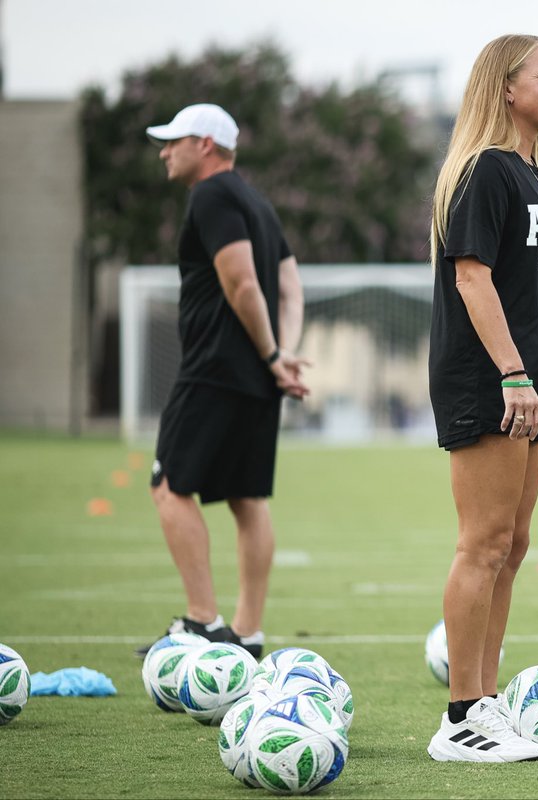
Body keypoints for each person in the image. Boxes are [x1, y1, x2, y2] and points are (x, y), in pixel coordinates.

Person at [425, 34, 538, 762]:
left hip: (528, 376)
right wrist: (514, 372)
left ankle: (486, 700)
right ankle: (459, 718)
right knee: (482, 544)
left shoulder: (531, 173)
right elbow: (471, 279)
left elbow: (510, 275)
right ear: (506, 87)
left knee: (513, 546)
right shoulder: (485, 168)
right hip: (491, 379)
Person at [134, 103, 310, 660]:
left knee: (168, 487)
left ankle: (203, 623)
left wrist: (272, 351)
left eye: (174, 140)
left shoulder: (211, 195)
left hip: (215, 371)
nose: (165, 150)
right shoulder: (257, 202)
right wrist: (283, 355)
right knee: (247, 498)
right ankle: (248, 633)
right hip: (258, 378)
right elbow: (289, 287)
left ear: (205, 144)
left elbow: (240, 282)